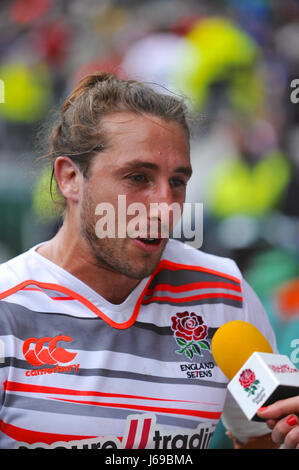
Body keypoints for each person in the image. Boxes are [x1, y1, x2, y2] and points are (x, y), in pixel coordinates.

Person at [0, 72, 278, 449]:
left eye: (177, 182)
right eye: (137, 177)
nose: (165, 206)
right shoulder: (7, 308)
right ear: (70, 178)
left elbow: (263, 439)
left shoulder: (224, 294)